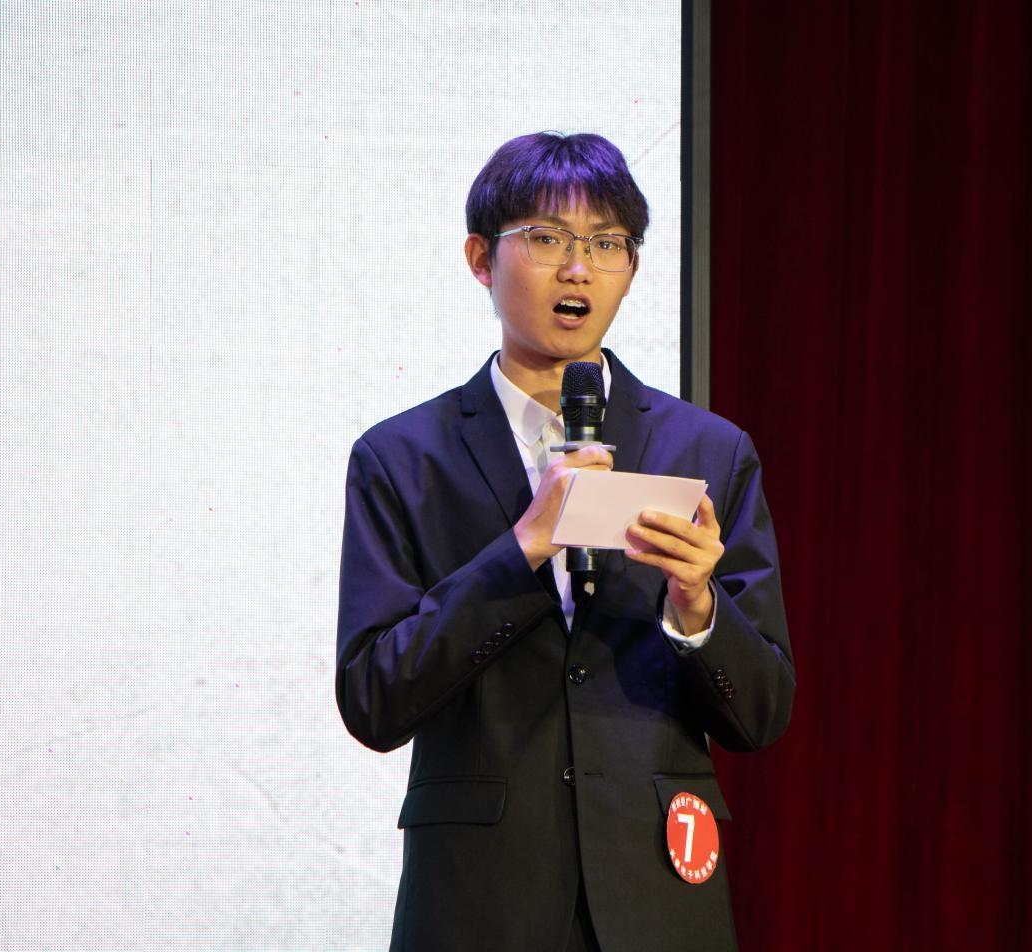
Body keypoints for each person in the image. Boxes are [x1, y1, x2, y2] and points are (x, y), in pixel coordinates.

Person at [336, 131, 795, 952]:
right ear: (481, 258)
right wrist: (520, 549)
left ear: (632, 267)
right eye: (546, 239)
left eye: (607, 243)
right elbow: (373, 699)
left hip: (658, 897)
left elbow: (759, 714)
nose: (578, 268)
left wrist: (697, 611)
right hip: (479, 901)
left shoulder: (708, 451)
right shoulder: (403, 457)